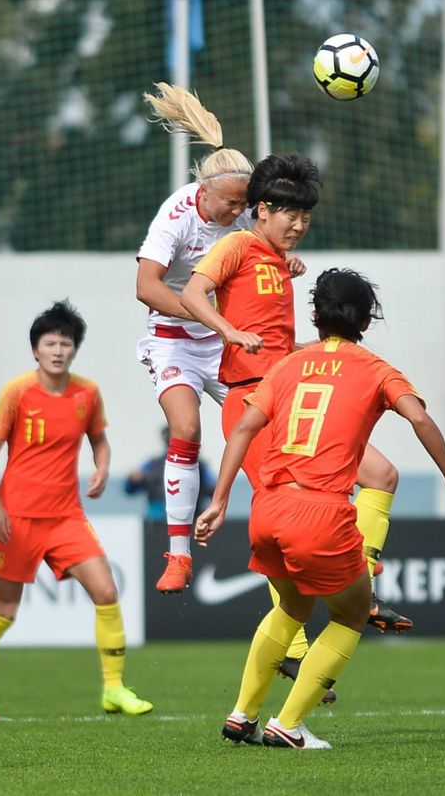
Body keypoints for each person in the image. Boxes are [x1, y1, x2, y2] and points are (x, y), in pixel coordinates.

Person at [195, 268, 445, 749]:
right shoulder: (375, 368)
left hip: (268, 507)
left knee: (292, 604)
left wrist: (219, 501)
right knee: (350, 614)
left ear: (314, 316)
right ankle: (288, 725)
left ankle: (242, 715)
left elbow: (242, 429)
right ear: (366, 321)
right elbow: (420, 418)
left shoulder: (285, 366)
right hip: (320, 514)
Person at [180, 153, 408, 701]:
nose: (299, 226)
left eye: (306, 218)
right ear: (262, 210)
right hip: (251, 401)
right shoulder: (235, 245)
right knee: (281, 513)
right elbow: (191, 294)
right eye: (290, 216)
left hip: (290, 396)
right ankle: (295, 649)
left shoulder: (280, 263)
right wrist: (229, 332)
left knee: (382, 475)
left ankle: (364, 580)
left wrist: (320, 349)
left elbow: (279, 345)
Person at [135, 83, 304, 595]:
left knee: (272, 436)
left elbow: (265, 253)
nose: (238, 214)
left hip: (232, 344)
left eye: (245, 206)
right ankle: (179, 555)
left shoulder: (248, 214)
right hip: (175, 340)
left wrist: (286, 263)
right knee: (186, 428)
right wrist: (209, 318)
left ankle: (299, 535)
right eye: (230, 205)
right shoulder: (176, 215)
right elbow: (146, 286)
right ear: (202, 192)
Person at [0, 301, 153, 716]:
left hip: (67, 516)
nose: (57, 350)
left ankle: (114, 688)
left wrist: (103, 468)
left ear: (74, 349)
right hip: (15, 518)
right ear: (35, 350)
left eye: (65, 343)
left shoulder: (86, 393)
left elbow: (99, 440)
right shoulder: (17, 391)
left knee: (106, 591)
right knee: (3, 610)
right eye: (49, 343)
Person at [124, 425, 216, 524]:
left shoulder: (198, 465)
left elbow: (212, 489)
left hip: (191, 518)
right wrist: (133, 479)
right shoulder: (153, 465)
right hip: (158, 521)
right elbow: (130, 488)